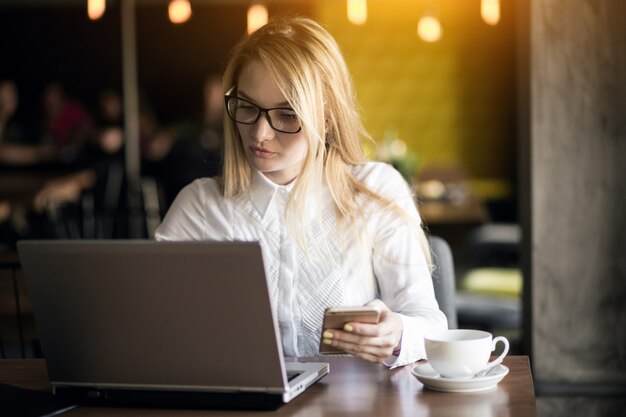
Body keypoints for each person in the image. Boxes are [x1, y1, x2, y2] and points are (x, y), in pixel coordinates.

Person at [155, 17, 447, 367]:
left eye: (287, 114)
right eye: (247, 107)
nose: (260, 133)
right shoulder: (200, 207)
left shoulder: (375, 191)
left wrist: (397, 334)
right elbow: (153, 328)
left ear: (325, 118)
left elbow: (430, 325)